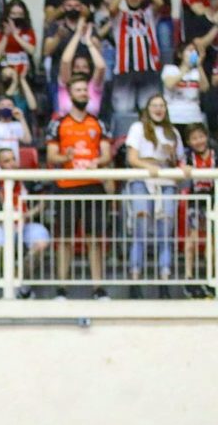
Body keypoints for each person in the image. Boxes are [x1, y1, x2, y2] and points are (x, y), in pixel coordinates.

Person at [46, 74, 113, 300]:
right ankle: (61, 289)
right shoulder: (58, 123)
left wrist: (98, 161)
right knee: (64, 239)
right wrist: (65, 155)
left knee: (94, 239)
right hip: (67, 187)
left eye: (86, 90)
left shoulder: (98, 122)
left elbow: (106, 154)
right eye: (79, 90)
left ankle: (98, 288)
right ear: (70, 94)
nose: (83, 93)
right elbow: (51, 155)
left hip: (93, 186)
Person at [125, 95, 191, 299]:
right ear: (148, 108)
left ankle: (164, 278)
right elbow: (132, 158)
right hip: (142, 181)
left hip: (167, 182)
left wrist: (182, 166)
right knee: (140, 230)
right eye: (154, 105)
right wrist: (149, 166)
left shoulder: (173, 132)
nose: (158, 109)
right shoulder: (137, 128)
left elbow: (179, 160)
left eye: (162, 106)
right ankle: (135, 278)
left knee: (165, 232)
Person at [0, 148, 50, 299]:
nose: (12, 164)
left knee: (40, 243)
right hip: (3, 225)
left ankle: (22, 279)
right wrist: (2, 218)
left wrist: (29, 214)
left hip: (27, 224)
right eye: (6, 161)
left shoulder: (27, 178)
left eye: (13, 159)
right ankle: (15, 285)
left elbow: (43, 200)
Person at [108, 0, 164, 117]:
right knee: (123, 110)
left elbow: (159, 1)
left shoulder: (149, 14)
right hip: (125, 70)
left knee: (150, 109)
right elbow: (112, 7)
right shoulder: (120, 17)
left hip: (148, 69)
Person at [182, 123, 216, 299]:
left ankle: (211, 279)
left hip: (213, 200)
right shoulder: (188, 157)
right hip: (196, 200)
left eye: (201, 136)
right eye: (194, 138)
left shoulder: (215, 154)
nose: (199, 141)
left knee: (212, 242)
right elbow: (181, 169)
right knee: (192, 239)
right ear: (189, 141)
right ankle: (189, 278)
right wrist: (184, 169)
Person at [42, 0, 89, 115]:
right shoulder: (55, 26)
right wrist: (58, 36)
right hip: (59, 79)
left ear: (82, 8)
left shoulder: (87, 27)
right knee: (60, 114)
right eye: (69, 6)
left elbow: (98, 50)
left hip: (84, 79)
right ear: (63, 8)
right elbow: (46, 51)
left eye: (76, 6)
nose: (72, 9)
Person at [126, 0, 176, 65]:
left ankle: (168, 76)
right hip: (140, 17)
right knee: (142, 48)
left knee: (165, 47)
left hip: (163, 14)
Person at [58, 17, 106, 117]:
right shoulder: (66, 84)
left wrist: (89, 42)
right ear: (72, 69)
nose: (81, 70)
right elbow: (66, 61)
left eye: (85, 67)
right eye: (77, 67)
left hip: (90, 129)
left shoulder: (94, 86)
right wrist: (78, 34)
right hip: (66, 129)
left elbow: (100, 66)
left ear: (89, 69)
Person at [162, 42, 209, 138]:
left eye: (195, 51)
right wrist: (186, 68)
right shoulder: (170, 69)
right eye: (190, 50)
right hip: (174, 118)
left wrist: (199, 66)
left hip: (194, 118)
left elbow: (205, 88)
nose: (193, 53)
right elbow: (169, 84)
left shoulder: (196, 72)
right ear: (180, 54)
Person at [0, 0, 37, 79]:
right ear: (7, 15)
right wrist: (6, 36)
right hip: (5, 66)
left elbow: (31, 51)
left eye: (20, 14)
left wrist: (15, 35)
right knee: (8, 74)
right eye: (13, 14)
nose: (16, 17)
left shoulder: (28, 31)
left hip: (24, 66)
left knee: (22, 75)